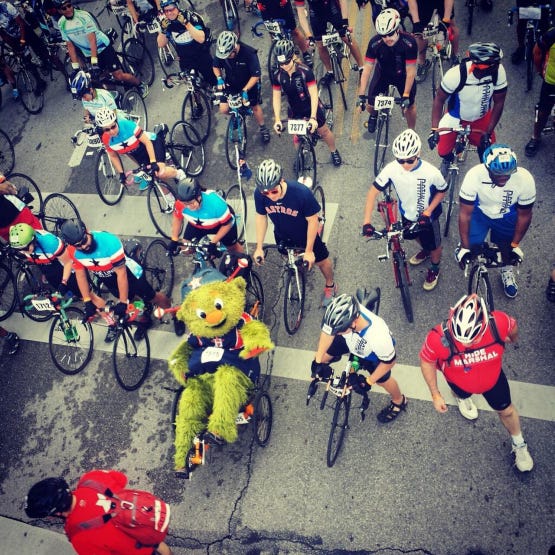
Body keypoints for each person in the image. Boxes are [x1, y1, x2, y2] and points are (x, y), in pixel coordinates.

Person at [419, 293, 534, 472]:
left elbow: (513, 327)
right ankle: (462, 397)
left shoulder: (499, 322)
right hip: (458, 382)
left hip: (493, 380)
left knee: (507, 411)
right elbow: (427, 361)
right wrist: (435, 394)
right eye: (461, 340)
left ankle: (519, 444)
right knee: (460, 392)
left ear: (485, 326)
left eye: (473, 340)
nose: (466, 345)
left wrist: (513, 338)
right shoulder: (436, 336)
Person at [60, 219, 184, 341]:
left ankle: (176, 316)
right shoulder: (73, 251)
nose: (84, 246)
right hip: (110, 280)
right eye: (78, 246)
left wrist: (123, 301)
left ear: (86, 230)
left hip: (130, 275)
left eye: (84, 241)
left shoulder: (109, 242)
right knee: (133, 305)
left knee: (151, 296)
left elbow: (121, 273)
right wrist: (87, 300)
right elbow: (80, 274)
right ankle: (145, 320)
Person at [362, 129, 447, 291]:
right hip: (408, 213)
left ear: (418, 153)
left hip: (427, 216)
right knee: (413, 236)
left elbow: (442, 190)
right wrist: (366, 221)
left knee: (435, 245)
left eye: (409, 160)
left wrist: (428, 211)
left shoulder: (431, 172)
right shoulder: (392, 168)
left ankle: (435, 268)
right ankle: (425, 250)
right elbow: (372, 192)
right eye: (400, 160)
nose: (405, 165)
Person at [253, 158, 338, 307]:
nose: (271, 196)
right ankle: (297, 265)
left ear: (282, 181)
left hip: (305, 235)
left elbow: (313, 221)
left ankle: (330, 285)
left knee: (321, 261)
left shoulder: (301, 193)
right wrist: (259, 247)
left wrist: (309, 250)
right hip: (282, 234)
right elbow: (261, 217)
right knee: (288, 257)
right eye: (265, 193)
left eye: (274, 191)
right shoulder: (260, 194)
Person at [24, 470, 173, 554]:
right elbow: (121, 478)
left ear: (56, 514)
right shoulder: (90, 479)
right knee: (156, 544)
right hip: (142, 524)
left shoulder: (79, 538)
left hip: (137, 551)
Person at [312, 293, 408, 423]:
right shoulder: (342, 316)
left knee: (382, 380)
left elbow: (389, 362)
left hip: (370, 354)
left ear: (354, 322)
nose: (336, 334)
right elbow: (328, 332)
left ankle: (399, 401)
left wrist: (369, 381)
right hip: (350, 340)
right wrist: (318, 361)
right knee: (321, 357)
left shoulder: (379, 337)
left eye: (339, 330)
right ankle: (332, 358)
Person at [456, 144, 535, 299]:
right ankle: (468, 250)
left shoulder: (525, 179)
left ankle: (506, 269)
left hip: (506, 215)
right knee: (472, 248)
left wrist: (515, 245)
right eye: (498, 173)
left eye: (508, 173)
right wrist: (465, 247)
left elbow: (524, 216)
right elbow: (465, 214)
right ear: (487, 168)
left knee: (507, 249)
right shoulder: (474, 175)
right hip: (480, 212)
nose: (503, 178)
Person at [429, 42, 507, 174]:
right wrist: (434, 129)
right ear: (484, 67)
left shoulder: (498, 72)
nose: (499, 66)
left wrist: (488, 132)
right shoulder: (455, 75)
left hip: (481, 117)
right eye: (496, 64)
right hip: (455, 117)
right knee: (442, 151)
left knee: (488, 156)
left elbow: (499, 102)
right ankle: (447, 160)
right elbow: (439, 100)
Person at [55, 0, 149, 98]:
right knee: (102, 78)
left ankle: (140, 85)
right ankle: (116, 97)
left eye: (69, 5)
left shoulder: (83, 16)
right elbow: (70, 45)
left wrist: (94, 62)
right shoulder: (62, 23)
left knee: (118, 75)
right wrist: (75, 68)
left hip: (102, 48)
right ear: (59, 11)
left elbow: (92, 41)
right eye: (64, 8)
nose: (68, 9)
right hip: (88, 53)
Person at [271, 39, 342, 167]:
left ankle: (334, 151)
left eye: (287, 62)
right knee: (297, 137)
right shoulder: (278, 75)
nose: (284, 66)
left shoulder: (305, 71)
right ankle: (300, 155)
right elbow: (276, 97)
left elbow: (314, 94)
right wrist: (277, 119)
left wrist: (313, 117)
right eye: (281, 63)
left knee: (324, 131)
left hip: (311, 107)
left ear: (293, 56)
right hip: (294, 109)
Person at [8, 223, 103, 306]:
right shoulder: (22, 244)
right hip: (50, 271)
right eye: (20, 249)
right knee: (67, 293)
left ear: (33, 239)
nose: (24, 251)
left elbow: (68, 262)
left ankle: (95, 305)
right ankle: (75, 296)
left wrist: (64, 282)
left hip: (66, 270)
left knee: (86, 295)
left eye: (26, 248)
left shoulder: (50, 243)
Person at [95, 107, 185, 193]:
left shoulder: (128, 125)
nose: (111, 131)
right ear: (102, 130)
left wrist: (153, 162)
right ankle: (170, 200)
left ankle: (179, 173)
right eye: (107, 129)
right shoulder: (106, 139)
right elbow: (113, 156)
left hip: (151, 143)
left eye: (113, 126)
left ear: (116, 121)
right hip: (138, 153)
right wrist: (121, 173)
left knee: (160, 173)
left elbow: (147, 142)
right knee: (154, 177)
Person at [357, 8, 417, 132]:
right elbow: (367, 68)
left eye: (390, 34)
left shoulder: (409, 43)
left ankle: (411, 131)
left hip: (403, 76)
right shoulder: (375, 43)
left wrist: (405, 95)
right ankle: (373, 115)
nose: (387, 38)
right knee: (370, 105)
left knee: (409, 107)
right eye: (383, 35)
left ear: (397, 30)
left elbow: (411, 71)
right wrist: (361, 94)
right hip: (383, 74)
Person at [213, 30, 271, 145]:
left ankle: (263, 128)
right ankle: (237, 115)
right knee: (223, 109)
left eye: (229, 55)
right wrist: (219, 78)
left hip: (248, 84)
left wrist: (245, 90)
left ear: (234, 48)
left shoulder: (249, 53)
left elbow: (256, 75)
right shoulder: (222, 52)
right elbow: (215, 66)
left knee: (254, 107)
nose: (227, 57)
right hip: (231, 84)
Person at [294, 0, 364, 84]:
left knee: (346, 37)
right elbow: (301, 13)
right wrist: (308, 35)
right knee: (320, 44)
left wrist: (345, 22)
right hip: (316, 14)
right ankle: (330, 71)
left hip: (332, 9)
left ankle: (362, 67)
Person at [169, 177, 244, 255]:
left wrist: (213, 242)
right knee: (185, 249)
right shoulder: (180, 203)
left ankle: (245, 262)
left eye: (191, 203)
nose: (189, 207)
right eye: (185, 204)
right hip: (197, 225)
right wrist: (174, 239)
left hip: (221, 225)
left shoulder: (216, 203)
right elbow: (177, 218)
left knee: (233, 249)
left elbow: (227, 224)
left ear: (199, 196)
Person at [157, 0, 216, 87]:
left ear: (177, 7)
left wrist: (186, 23)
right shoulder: (166, 23)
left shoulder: (191, 16)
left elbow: (201, 39)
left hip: (201, 55)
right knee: (192, 87)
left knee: (212, 81)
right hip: (185, 59)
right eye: (166, 11)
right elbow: (161, 44)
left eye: (171, 9)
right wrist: (163, 30)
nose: (169, 13)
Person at [0, 0, 48, 92]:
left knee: (40, 50)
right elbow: (4, 35)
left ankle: (45, 61)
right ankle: (39, 81)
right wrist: (15, 47)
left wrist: (22, 40)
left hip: (25, 30)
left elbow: (21, 23)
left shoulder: (6, 6)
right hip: (13, 36)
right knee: (26, 60)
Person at [407, 0, 460, 82]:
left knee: (451, 27)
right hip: (423, 3)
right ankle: (422, 62)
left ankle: (455, 55)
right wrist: (416, 23)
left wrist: (446, 19)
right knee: (419, 33)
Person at [524, 25, 555, 157]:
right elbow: (537, 52)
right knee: (543, 111)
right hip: (552, 82)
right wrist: (539, 71)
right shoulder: (552, 35)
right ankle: (535, 137)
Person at [255, 0, 312, 65]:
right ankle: (277, 53)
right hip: (265, 7)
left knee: (294, 31)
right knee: (273, 34)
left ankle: (305, 53)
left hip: (282, 4)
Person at [0, 173, 43, 242]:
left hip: (15, 214)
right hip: (4, 228)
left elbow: (6, 186)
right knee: (23, 249)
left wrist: (4, 184)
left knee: (40, 240)